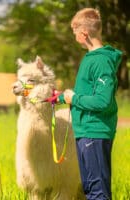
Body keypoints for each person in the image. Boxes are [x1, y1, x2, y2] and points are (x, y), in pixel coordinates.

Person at [58, 8, 122, 199]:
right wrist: (58, 97)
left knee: (97, 192)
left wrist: (73, 99)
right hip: (85, 131)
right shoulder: (90, 59)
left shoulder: (102, 61)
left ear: (84, 33)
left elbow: (103, 100)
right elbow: (85, 93)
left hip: (95, 131)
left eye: (74, 32)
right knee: (89, 189)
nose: (74, 36)